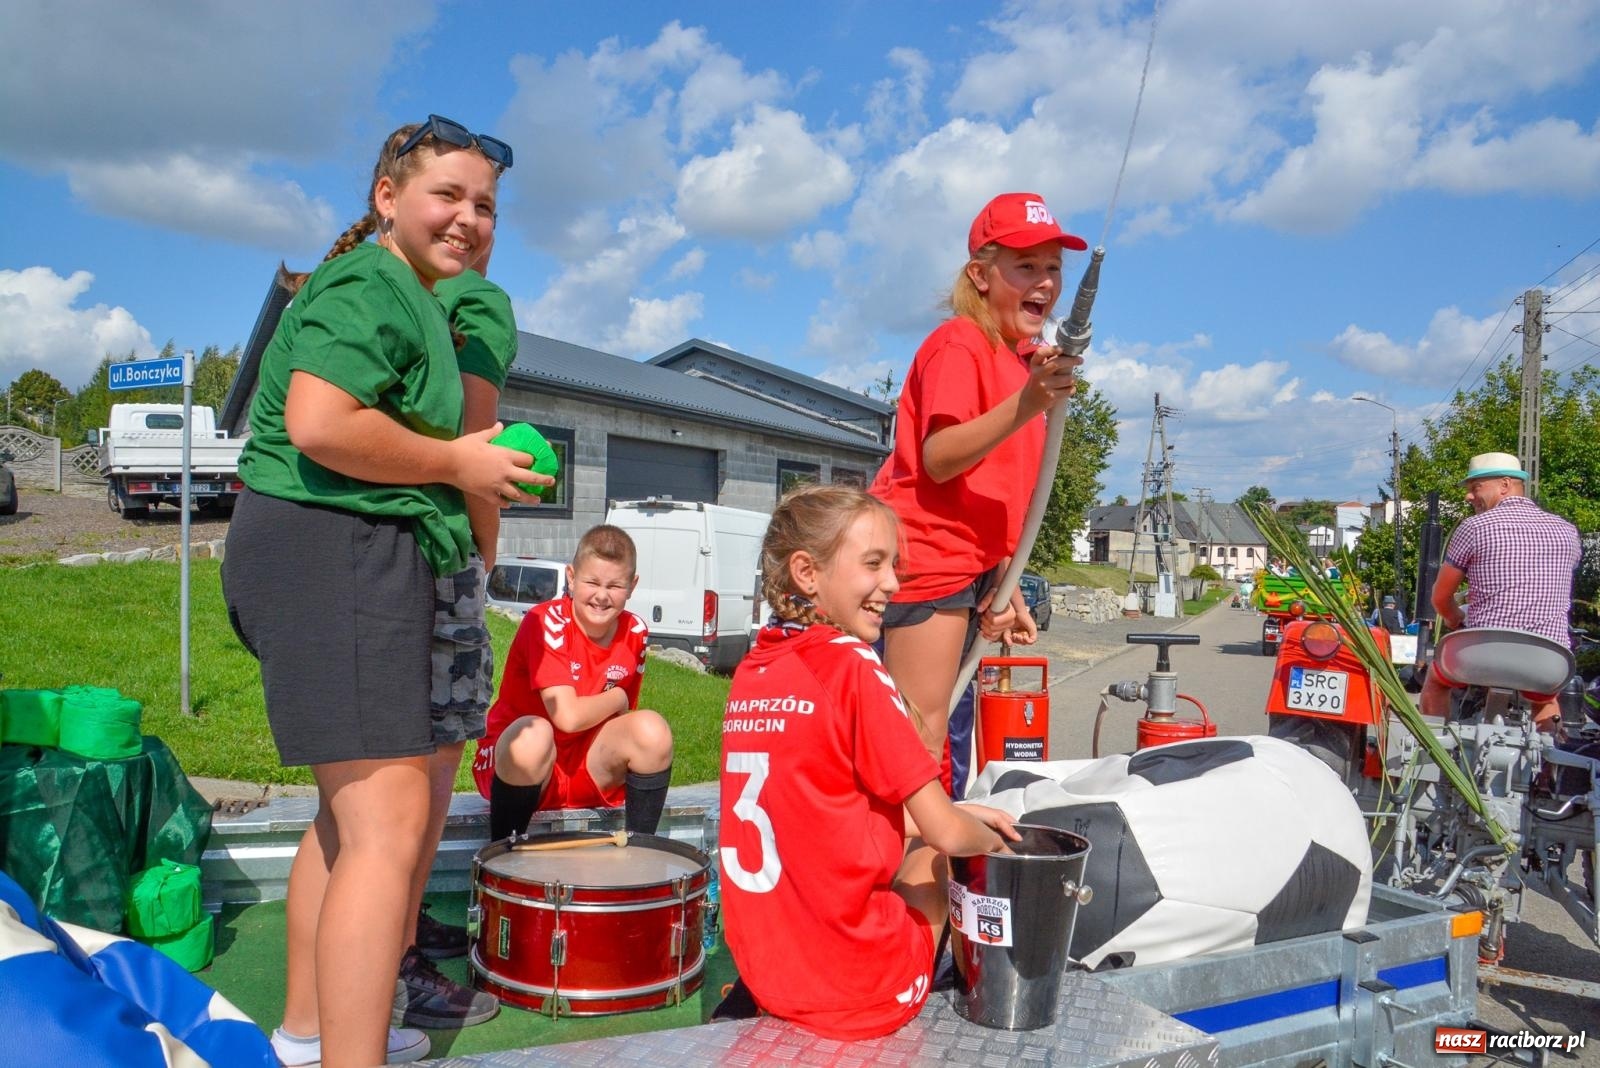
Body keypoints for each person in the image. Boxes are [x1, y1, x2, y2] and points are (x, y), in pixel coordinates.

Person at [222, 115, 536, 1068]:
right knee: (389, 832)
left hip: (334, 548)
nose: (469, 218)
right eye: (448, 195)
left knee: (350, 822)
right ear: (387, 198)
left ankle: (310, 1034)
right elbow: (319, 423)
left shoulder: (420, 299)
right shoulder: (371, 281)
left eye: (485, 205)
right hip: (335, 547)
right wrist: (455, 462)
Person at [719, 484, 1020, 1039]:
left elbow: (820, 810)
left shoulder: (754, 669)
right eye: (874, 564)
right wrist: (996, 848)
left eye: (895, 566)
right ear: (807, 573)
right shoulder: (851, 663)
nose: (893, 584)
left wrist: (962, 810)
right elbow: (945, 835)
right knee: (932, 856)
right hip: (856, 990)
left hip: (768, 975)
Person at [870, 192, 1084, 795]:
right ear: (980, 275)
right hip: (929, 562)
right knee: (920, 742)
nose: (1044, 281)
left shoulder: (1016, 363)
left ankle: (926, 872)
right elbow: (939, 459)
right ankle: (909, 881)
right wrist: (1030, 403)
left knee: (940, 741)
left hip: (969, 569)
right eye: (1026, 266)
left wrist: (1002, 581)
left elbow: (1005, 491)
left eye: (1053, 268)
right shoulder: (961, 343)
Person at [393, 234, 536, 1029]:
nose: (474, 225)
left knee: (396, 765)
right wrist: (485, 553)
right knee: (429, 764)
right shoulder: (477, 302)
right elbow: (480, 439)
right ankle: (400, 960)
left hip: (373, 557)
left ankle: (405, 929)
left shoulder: (387, 296)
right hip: (436, 551)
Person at [471, 524, 674, 841]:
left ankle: (641, 850)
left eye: (615, 585)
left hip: (584, 764)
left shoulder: (636, 631)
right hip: (525, 766)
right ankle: (500, 858)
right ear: (571, 577)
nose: (602, 596)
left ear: (632, 586)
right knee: (533, 737)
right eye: (592, 582)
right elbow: (567, 717)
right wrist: (618, 698)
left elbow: (622, 725)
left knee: (652, 730)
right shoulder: (545, 620)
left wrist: (620, 706)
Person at [1420, 452, 1581, 732]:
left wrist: (1453, 617)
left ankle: (1434, 758)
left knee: (1435, 683)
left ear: (1505, 485)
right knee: (1545, 702)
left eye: (1475, 487)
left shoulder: (1474, 528)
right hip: (1548, 659)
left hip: (1482, 654)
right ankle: (1545, 770)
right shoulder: (1567, 531)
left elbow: (1439, 597)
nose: (1468, 497)